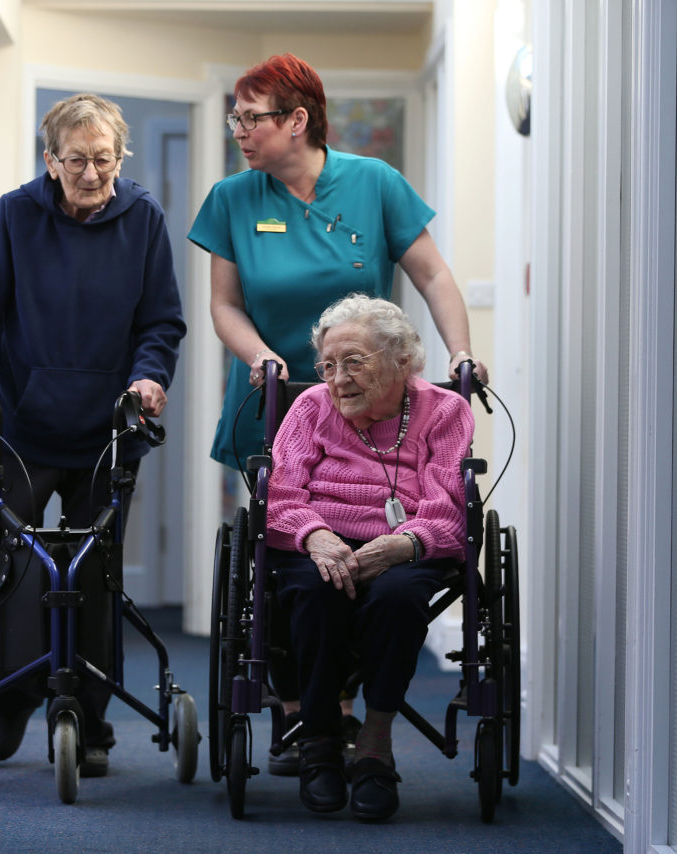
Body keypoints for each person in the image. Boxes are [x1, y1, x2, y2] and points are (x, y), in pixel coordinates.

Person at [187, 51, 487, 772]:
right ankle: (301, 713)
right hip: (276, 401)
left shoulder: (373, 184)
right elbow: (224, 304)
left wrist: (461, 353)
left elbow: (433, 273)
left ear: (298, 121)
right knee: (281, 550)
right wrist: (261, 356)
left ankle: (348, 709)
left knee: (369, 556)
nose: (239, 131)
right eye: (235, 117)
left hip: (376, 399)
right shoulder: (234, 198)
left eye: (251, 118)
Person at [0, 93, 186, 777]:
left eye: (103, 159)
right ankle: (9, 701)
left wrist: (149, 379)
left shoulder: (143, 218)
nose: (91, 173)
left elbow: (161, 323)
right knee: (3, 568)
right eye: (75, 160)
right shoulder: (16, 216)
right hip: (20, 424)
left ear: (120, 156)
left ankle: (89, 717)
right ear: (50, 161)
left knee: (96, 575)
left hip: (108, 430)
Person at [265, 295, 474, 821]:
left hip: (406, 543)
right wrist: (314, 535)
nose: (338, 379)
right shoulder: (309, 407)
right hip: (317, 540)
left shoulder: (445, 412)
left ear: (403, 359)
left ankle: (375, 744)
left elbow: (448, 509)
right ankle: (319, 743)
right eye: (329, 365)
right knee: (314, 591)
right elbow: (282, 497)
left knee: (399, 596)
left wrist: (400, 545)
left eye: (355, 361)